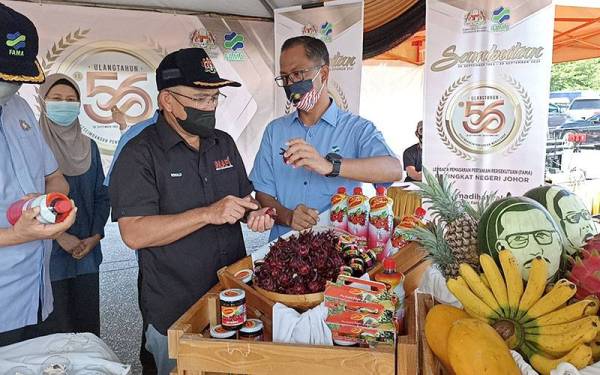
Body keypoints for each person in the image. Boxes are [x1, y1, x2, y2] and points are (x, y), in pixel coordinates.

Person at [109, 48, 274, 375]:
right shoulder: (139, 155)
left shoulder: (222, 143)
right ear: (167, 101)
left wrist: (254, 213)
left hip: (231, 297)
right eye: (199, 98)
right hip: (175, 306)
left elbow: (242, 201)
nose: (209, 107)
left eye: (214, 98)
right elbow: (134, 232)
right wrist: (207, 214)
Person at [250, 36, 402, 240]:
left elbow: (393, 170)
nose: (290, 84)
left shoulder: (357, 129)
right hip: (284, 249)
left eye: (297, 74)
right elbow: (262, 193)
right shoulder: (275, 131)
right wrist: (288, 216)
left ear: (323, 73)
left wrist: (331, 166)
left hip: (338, 249)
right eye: (285, 77)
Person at [0, 3, 77, 346]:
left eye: (15, 78)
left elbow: (53, 175)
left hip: (34, 294)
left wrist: (53, 201)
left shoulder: (20, 109)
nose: (9, 87)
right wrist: (18, 235)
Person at [36, 73, 110, 337]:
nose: (64, 104)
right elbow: (24, 204)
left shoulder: (89, 146)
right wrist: (60, 237)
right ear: (42, 102)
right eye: (56, 99)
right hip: (47, 257)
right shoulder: (31, 147)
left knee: (88, 330)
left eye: (71, 99)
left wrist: (95, 236)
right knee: (55, 332)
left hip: (86, 254)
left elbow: (102, 194)